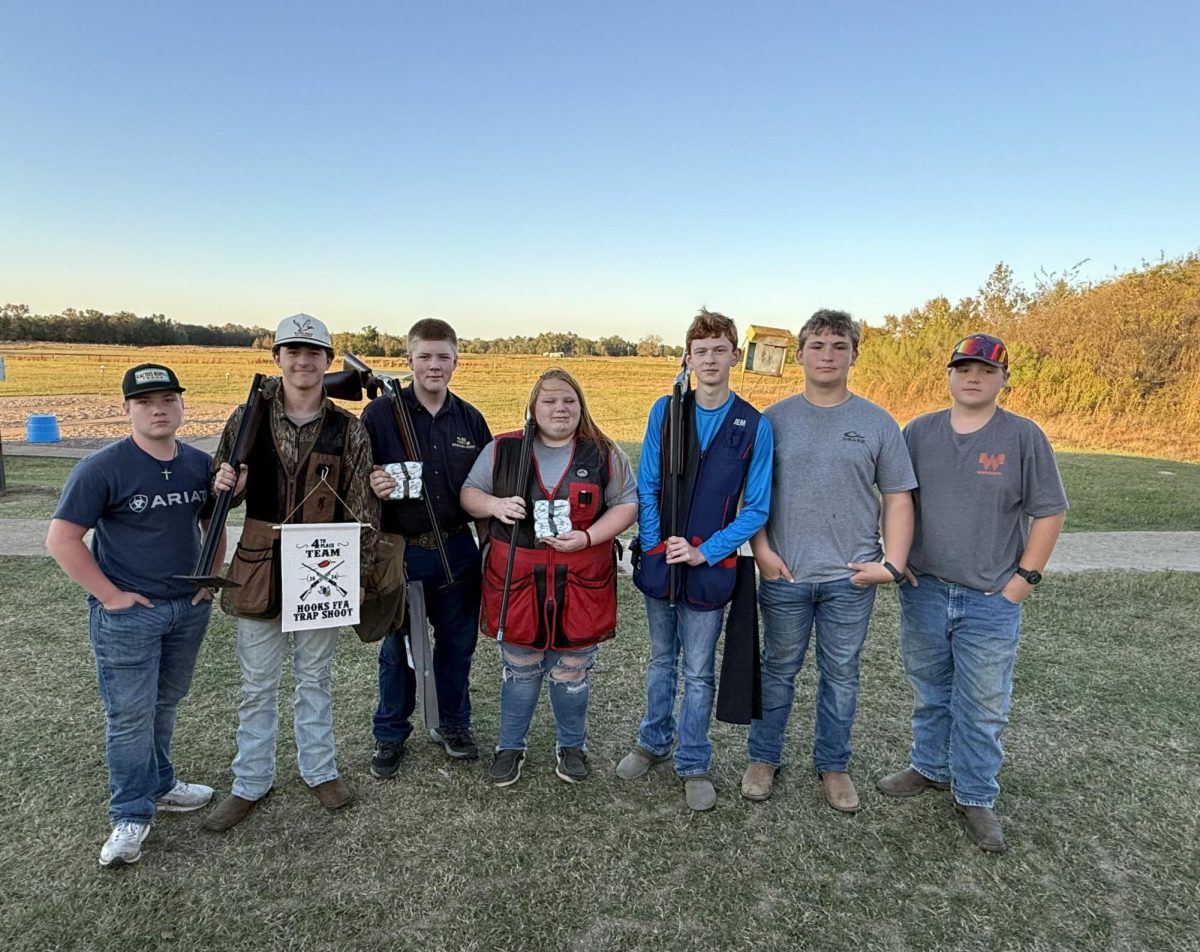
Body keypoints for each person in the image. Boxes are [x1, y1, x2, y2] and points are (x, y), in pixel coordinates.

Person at [877, 333, 1066, 853]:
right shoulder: (918, 432)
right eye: (963, 367)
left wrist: (1023, 581)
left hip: (989, 596)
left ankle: (976, 794)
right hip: (925, 589)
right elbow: (897, 500)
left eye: (985, 369)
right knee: (930, 690)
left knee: (982, 703)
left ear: (1004, 378)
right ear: (950, 375)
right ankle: (930, 767)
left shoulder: (1024, 437)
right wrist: (898, 559)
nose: (973, 376)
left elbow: (1049, 511)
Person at [203, 314, 379, 832]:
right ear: (277, 358)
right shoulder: (245, 418)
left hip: (324, 560)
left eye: (314, 353)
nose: (303, 362)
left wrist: (360, 576)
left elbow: (364, 506)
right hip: (259, 559)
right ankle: (249, 782)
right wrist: (227, 485)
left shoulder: (350, 428)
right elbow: (219, 495)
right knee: (258, 684)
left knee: (315, 677)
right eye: (293, 352)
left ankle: (319, 770)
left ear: (327, 361)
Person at [46, 363, 223, 867]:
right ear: (127, 409)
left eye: (168, 398)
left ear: (183, 405)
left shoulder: (197, 464)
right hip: (129, 615)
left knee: (165, 703)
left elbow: (212, 522)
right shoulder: (103, 467)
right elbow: (61, 539)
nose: (158, 408)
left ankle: (163, 784)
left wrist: (208, 579)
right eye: (145, 402)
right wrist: (110, 595)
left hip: (186, 609)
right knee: (129, 716)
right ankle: (129, 813)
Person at [743, 309, 916, 812]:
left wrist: (891, 564)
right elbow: (752, 496)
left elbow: (899, 496)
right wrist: (762, 552)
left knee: (841, 674)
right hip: (785, 575)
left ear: (854, 356)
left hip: (851, 579)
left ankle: (834, 765)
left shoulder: (877, 422)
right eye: (817, 345)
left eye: (838, 346)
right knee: (777, 670)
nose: (827, 355)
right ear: (798, 355)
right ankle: (763, 757)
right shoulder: (771, 421)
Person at [618, 309, 774, 812]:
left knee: (700, 671)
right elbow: (647, 484)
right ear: (688, 358)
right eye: (700, 351)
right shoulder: (666, 411)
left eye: (719, 349)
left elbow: (756, 508)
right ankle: (653, 741)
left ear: (734, 355)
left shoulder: (754, 425)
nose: (710, 359)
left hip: (711, 569)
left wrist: (707, 549)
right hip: (663, 562)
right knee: (662, 659)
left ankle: (693, 760)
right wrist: (658, 540)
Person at [461, 368, 637, 787]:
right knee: (521, 668)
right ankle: (510, 746)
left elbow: (628, 503)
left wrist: (590, 536)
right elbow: (469, 492)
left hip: (582, 580)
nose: (560, 408)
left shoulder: (603, 452)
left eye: (569, 401)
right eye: (550, 401)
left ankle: (572, 746)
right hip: (517, 582)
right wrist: (495, 506)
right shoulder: (503, 449)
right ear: (533, 407)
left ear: (581, 406)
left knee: (573, 670)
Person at [363, 318, 491, 775]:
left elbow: (485, 490)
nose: (434, 365)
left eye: (443, 357)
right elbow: (358, 476)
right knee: (399, 650)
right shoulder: (380, 414)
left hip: (457, 550)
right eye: (425, 356)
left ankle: (453, 724)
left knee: (457, 646)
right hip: (403, 552)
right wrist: (373, 482)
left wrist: (488, 553)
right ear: (409, 361)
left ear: (457, 362)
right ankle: (390, 734)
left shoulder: (471, 420)